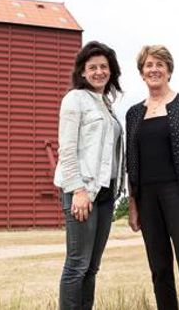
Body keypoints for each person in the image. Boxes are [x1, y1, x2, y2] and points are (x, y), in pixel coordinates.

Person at [126, 45, 179, 310]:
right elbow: (131, 162)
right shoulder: (132, 114)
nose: (154, 69)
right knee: (159, 270)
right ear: (142, 72)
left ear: (169, 70)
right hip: (146, 197)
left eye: (160, 64)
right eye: (149, 65)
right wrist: (133, 204)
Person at [54, 40, 125, 310]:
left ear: (111, 71)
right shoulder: (75, 99)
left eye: (104, 67)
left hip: (106, 195)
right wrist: (78, 190)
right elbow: (68, 148)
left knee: (92, 267)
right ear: (82, 72)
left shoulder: (106, 105)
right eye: (92, 67)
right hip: (82, 193)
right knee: (77, 264)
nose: (99, 72)